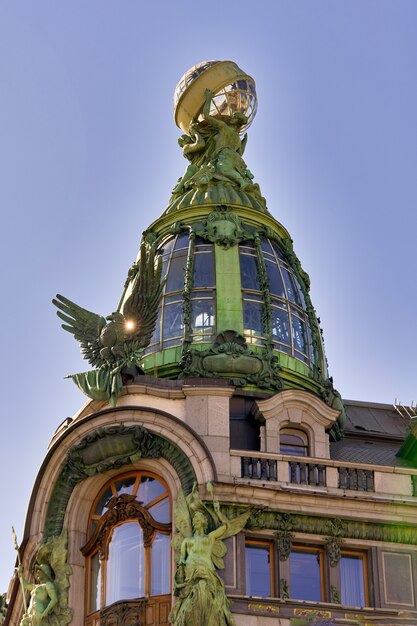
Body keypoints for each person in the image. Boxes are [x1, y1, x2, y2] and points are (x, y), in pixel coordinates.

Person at [169, 501, 235, 626]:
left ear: (204, 521)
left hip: (207, 572)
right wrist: (182, 566)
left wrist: (217, 511)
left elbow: (226, 526)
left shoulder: (209, 538)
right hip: (191, 573)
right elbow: (182, 559)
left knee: (214, 603)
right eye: (194, 518)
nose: (196, 520)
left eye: (198, 518)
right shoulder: (187, 541)